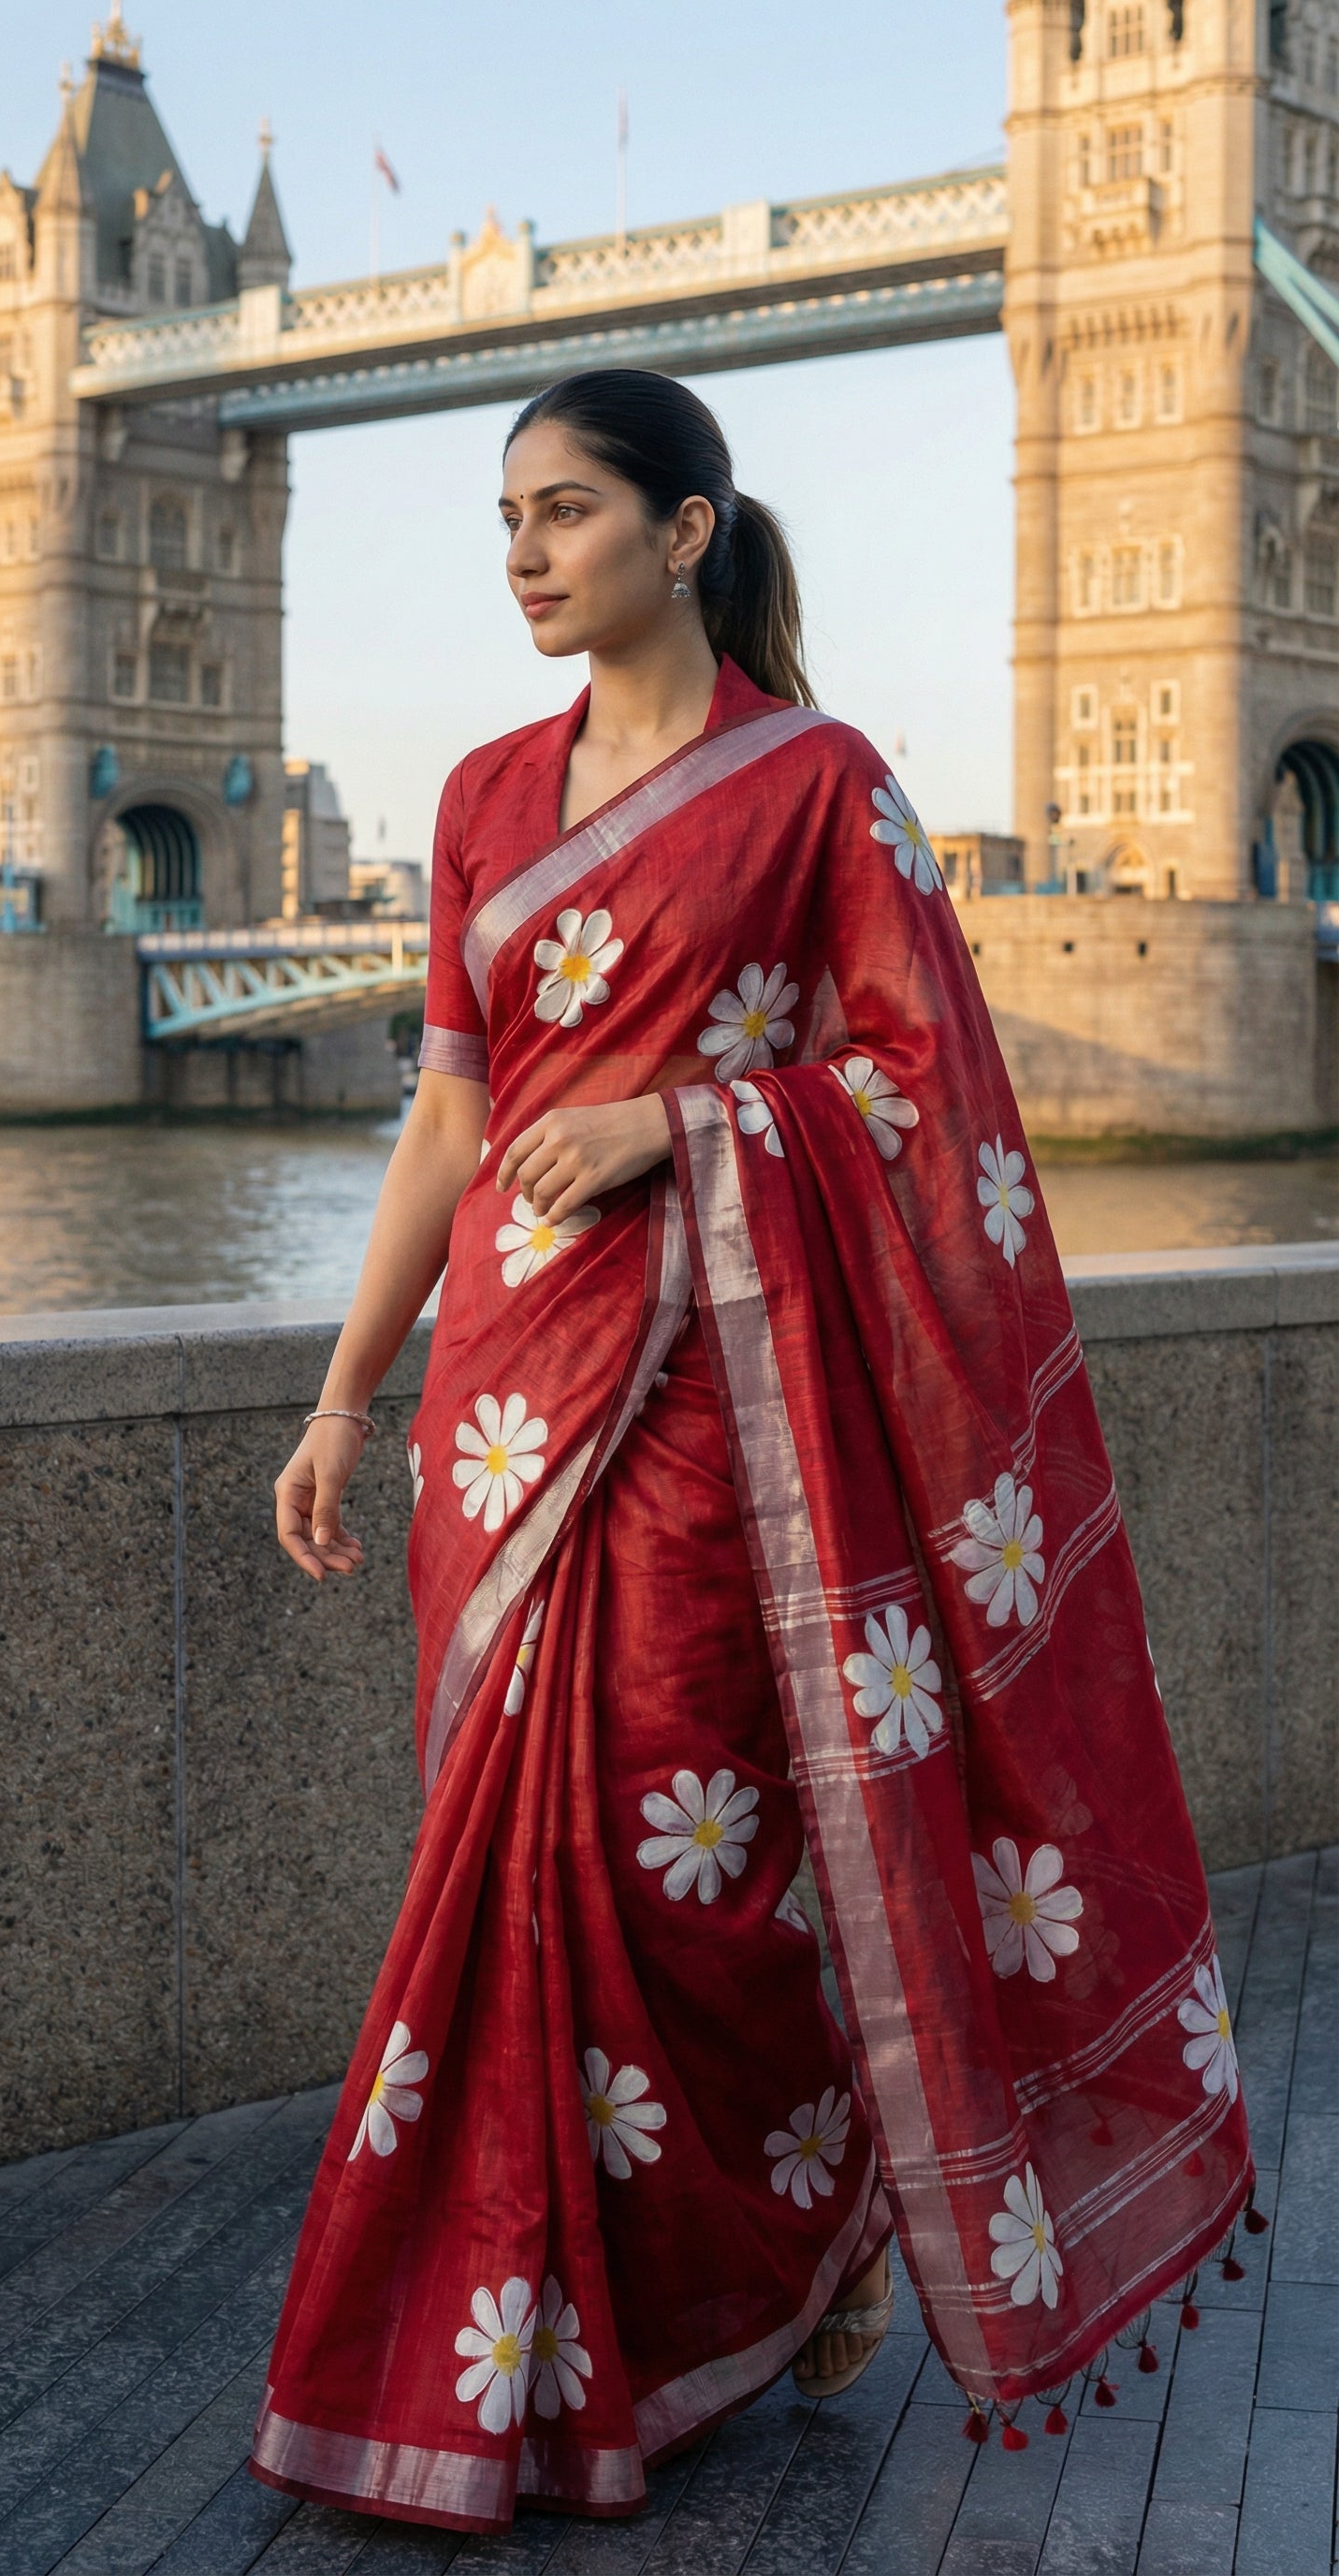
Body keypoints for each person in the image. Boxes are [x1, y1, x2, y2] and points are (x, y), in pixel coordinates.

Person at [250, 370, 1253, 2534]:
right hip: (505, 1406)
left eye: (569, 509)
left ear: (687, 530)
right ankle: (519, 2341)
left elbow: (930, 1094)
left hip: (720, 1407)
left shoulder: (819, 786)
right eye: (504, 516)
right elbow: (447, 1121)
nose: (524, 552)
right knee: (505, 1865)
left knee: (680, 1861)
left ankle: (782, 2235)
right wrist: (346, 1389)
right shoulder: (481, 796)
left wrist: (691, 1118)